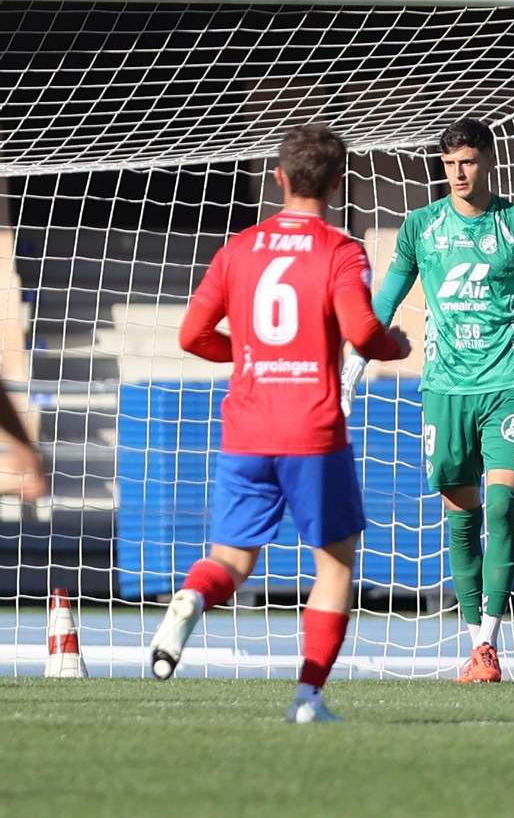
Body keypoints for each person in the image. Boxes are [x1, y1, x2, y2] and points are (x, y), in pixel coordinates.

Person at [148, 125, 410, 722]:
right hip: (312, 430)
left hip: (246, 428)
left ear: (280, 178)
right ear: (338, 183)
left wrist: (246, 354)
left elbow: (191, 335)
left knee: (231, 562)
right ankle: (307, 698)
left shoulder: (239, 248)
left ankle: (191, 595)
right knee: (336, 564)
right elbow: (363, 332)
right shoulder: (341, 250)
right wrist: (394, 346)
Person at [340, 118, 514, 683]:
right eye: (448, 164)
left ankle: (490, 643)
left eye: (466, 161)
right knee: (461, 522)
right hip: (444, 390)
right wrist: (352, 365)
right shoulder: (421, 227)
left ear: (487, 159)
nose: (458, 173)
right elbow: (387, 298)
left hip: (509, 383)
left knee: (504, 507)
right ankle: (472, 645)